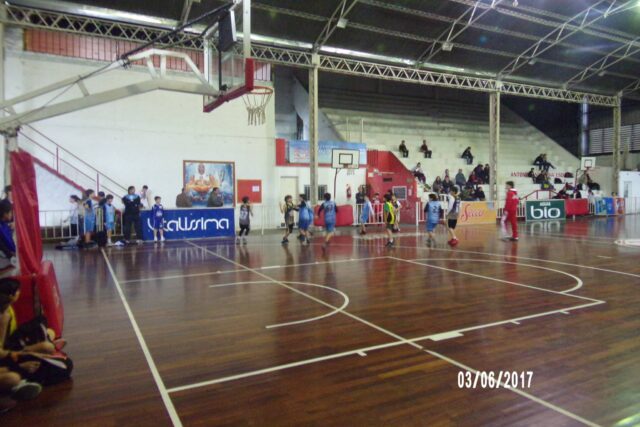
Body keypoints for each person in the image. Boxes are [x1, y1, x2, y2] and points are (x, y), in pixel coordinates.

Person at [0, 201, 16, 276]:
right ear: (5, 214)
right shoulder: (2, 226)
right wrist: (10, 255)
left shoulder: (4, 224)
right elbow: (2, 245)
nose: (11, 214)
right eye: (10, 212)